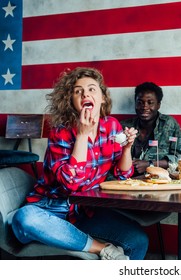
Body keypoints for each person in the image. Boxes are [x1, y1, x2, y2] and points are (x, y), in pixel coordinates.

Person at [11, 67, 148, 260]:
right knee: (25, 218)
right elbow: (71, 185)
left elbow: (122, 175)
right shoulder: (61, 132)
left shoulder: (112, 127)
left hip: (85, 212)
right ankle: (101, 247)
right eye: (78, 91)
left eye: (92, 89)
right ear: (72, 102)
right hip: (49, 210)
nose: (85, 93)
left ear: (102, 98)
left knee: (138, 241)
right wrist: (82, 136)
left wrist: (127, 148)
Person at [120, 82, 181, 176]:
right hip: (127, 182)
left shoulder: (170, 125)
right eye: (140, 102)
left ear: (158, 105)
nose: (144, 107)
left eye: (150, 102)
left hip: (159, 183)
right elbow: (113, 158)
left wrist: (150, 164)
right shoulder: (124, 126)